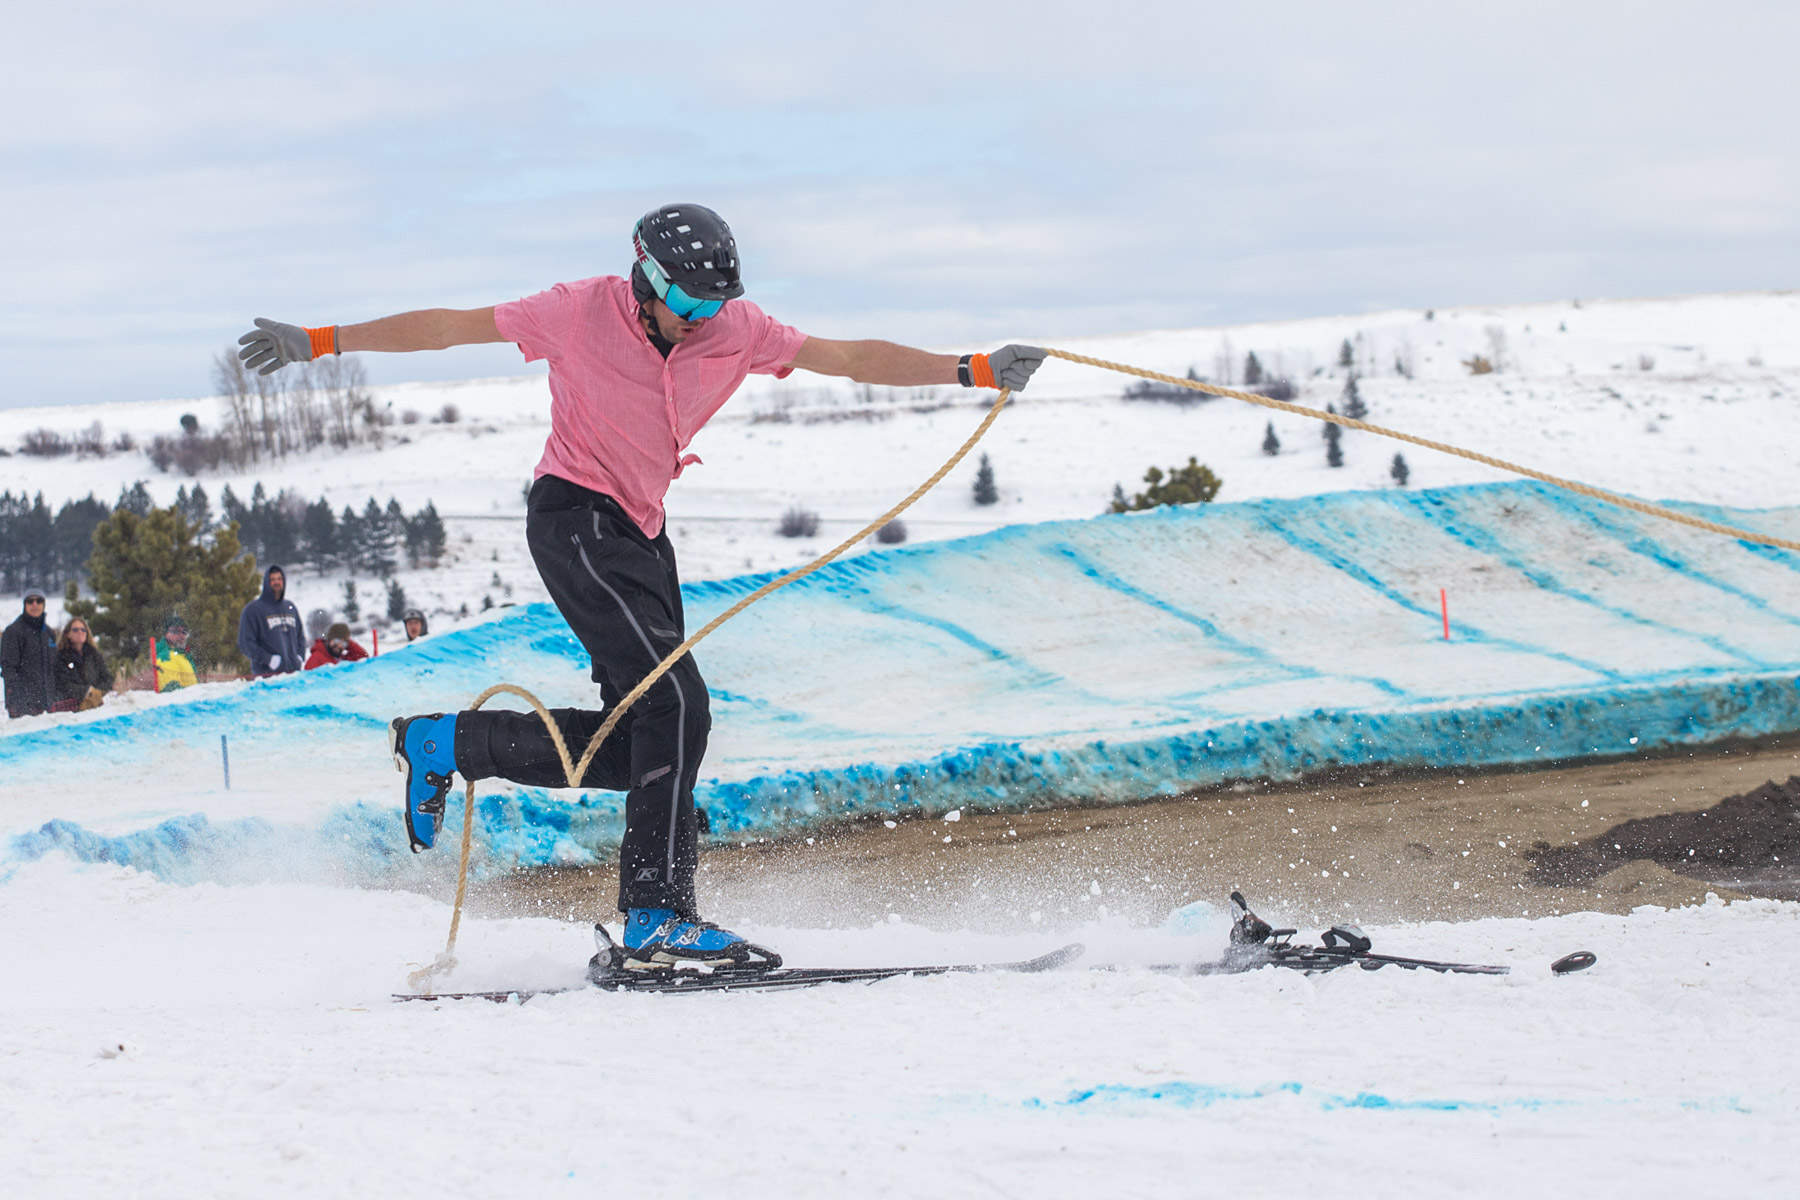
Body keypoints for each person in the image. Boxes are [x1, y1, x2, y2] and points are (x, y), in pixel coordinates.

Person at [238, 201, 1045, 969]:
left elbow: (851, 355)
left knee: (649, 741)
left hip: (642, 534)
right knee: (676, 702)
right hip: (573, 519)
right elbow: (450, 328)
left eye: (718, 299)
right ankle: (656, 914)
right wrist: (319, 339)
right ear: (648, 277)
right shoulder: (577, 311)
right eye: (690, 296)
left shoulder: (737, 330)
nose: (704, 315)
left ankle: (446, 743)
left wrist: (969, 367)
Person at [237, 565, 304, 678]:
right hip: (266, 678)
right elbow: (246, 643)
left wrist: (299, 657)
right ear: (266, 583)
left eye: (279, 579)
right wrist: (268, 660)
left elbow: (300, 636)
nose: (276, 582)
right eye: (272, 579)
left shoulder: (290, 607)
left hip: (293, 676)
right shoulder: (253, 610)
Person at [2, 588, 57, 718]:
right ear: (24, 605)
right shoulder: (13, 631)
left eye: (39, 601)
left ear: (44, 604)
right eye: (30, 601)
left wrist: (54, 697)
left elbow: (53, 668)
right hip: (23, 704)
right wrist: (17, 702)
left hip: (47, 703)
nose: (34, 604)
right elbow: (8, 668)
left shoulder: (49, 633)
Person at [52, 617, 113, 712]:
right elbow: (62, 684)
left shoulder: (94, 655)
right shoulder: (60, 657)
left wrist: (96, 692)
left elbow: (107, 679)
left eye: (83, 629)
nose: (80, 632)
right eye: (75, 629)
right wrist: (87, 692)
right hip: (69, 709)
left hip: (97, 706)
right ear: (68, 634)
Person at [156, 616, 200, 692]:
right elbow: (170, 690)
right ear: (166, 634)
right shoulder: (165, 657)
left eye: (184, 632)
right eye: (175, 631)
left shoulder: (185, 657)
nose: (181, 635)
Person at [305, 621, 369, 670]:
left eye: (344, 643)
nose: (339, 645)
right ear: (329, 639)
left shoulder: (341, 659)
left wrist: (348, 642)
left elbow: (362, 657)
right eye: (337, 641)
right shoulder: (316, 658)